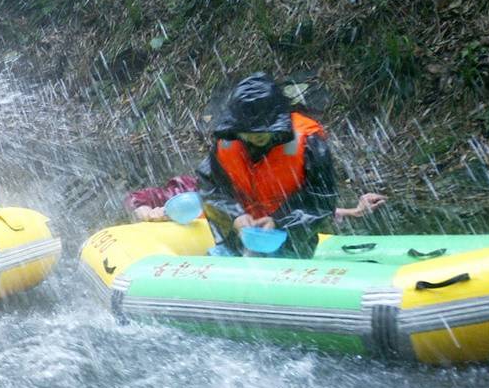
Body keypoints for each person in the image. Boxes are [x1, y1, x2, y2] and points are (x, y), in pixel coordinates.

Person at [198, 72, 340, 257]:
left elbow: (322, 200)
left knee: (282, 255)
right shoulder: (225, 144)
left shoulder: (309, 144)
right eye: (249, 130)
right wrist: (235, 216)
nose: (257, 135)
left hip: (290, 242)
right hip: (238, 239)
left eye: (265, 128)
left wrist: (280, 223)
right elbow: (210, 189)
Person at [129, 172, 383, 224]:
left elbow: (287, 211)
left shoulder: (246, 195)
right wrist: (145, 212)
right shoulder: (185, 186)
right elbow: (138, 197)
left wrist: (355, 211)